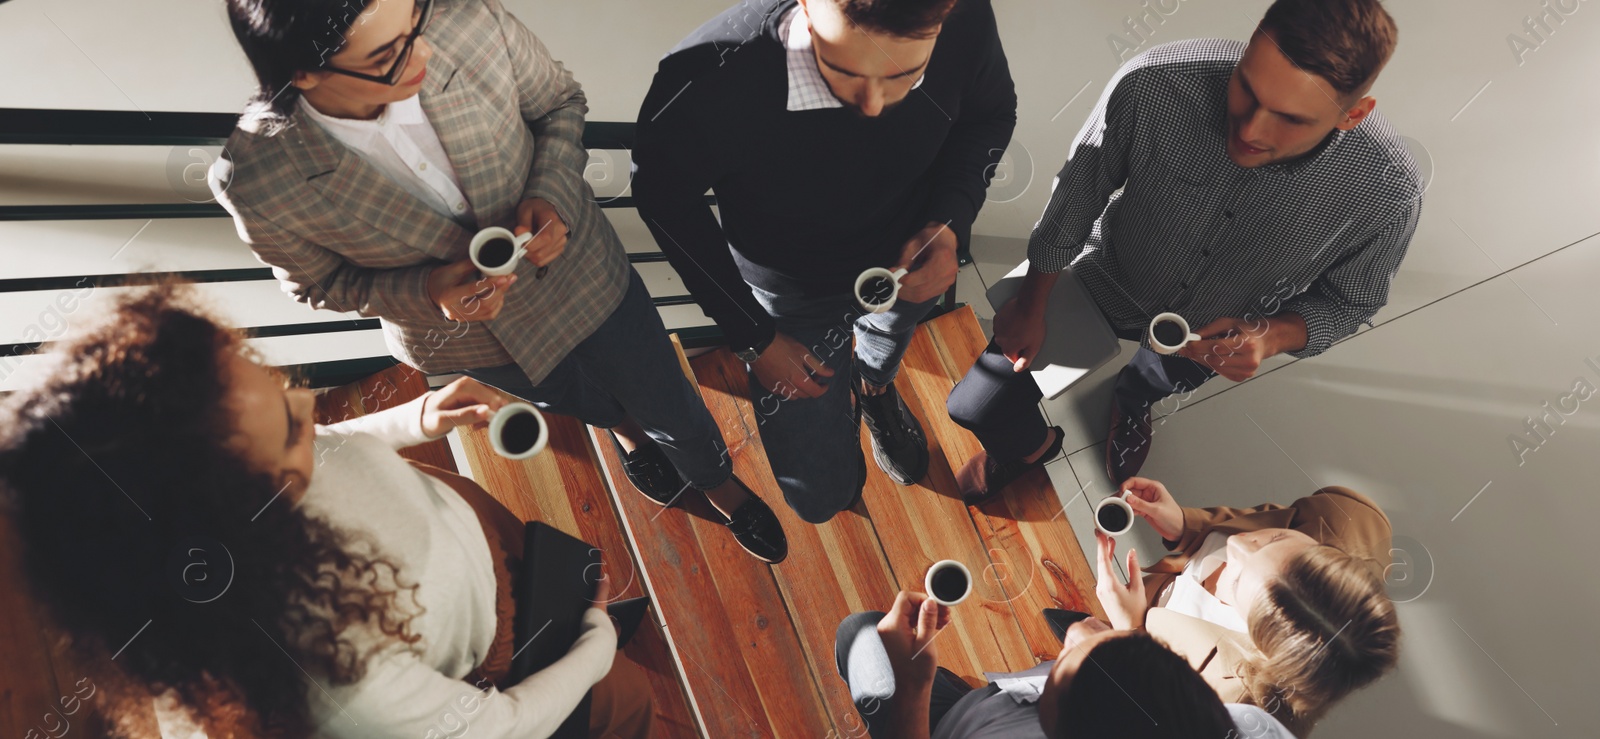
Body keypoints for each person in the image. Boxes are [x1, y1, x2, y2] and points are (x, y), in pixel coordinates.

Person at [210, 0, 786, 562]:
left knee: (667, 395)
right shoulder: (254, 177)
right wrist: (428, 292)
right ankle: (627, 433)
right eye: (389, 53)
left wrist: (551, 194)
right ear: (303, 74)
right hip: (476, 340)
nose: (426, 53)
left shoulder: (468, 20)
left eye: (415, 19)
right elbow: (316, 284)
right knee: (579, 398)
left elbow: (560, 103)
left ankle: (717, 482)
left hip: (583, 270)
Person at [0, 287, 653, 737]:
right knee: (632, 704)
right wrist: (593, 644)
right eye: (291, 429)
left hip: (471, 527)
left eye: (281, 389)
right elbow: (507, 725)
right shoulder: (336, 680)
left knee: (575, 594)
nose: (313, 409)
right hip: (503, 639)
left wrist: (415, 418)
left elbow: (330, 444)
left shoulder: (222, 483)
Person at [947, 0, 1424, 500]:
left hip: (1214, 330)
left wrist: (1271, 336)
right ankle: (1031, 449)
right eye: (1247, 87)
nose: (1250, 130)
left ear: (1353, 115)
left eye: (1289, 118)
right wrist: (1032, 301)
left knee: (1155, 378)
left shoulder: (1388, 193)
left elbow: (1351, 302)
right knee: (976, 405)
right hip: (1107, 275)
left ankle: (1134, 398)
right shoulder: (1155, 83)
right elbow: (1078, 196)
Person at [632, 0, 1017, 523]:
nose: (875, 106)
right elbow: (665, 201)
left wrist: (948, 222)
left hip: (905, 262)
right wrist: (753, 337)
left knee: (884, 349)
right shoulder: (704, 73)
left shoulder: (964, 16)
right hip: (791, 296)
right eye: (845, 72)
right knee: (818, 495)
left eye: (906, 75)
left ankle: (875, 391)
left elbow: (990, 115)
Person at [1091, 476, 1402, 735]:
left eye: (1236, 579)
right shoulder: (1344, 519)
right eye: (1274, 538)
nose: (1235, 543)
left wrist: (1127, 633)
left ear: (1260, 641)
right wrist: (1186, 526)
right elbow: (1249, 523)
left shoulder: (1232, 707)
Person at [833, 590, 1288, 738]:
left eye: (1060, 667)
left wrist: (913, 689)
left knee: (858, 634)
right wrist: (1128, 628)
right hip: (981, 710)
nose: (1069, 636)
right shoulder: (1249, 728)